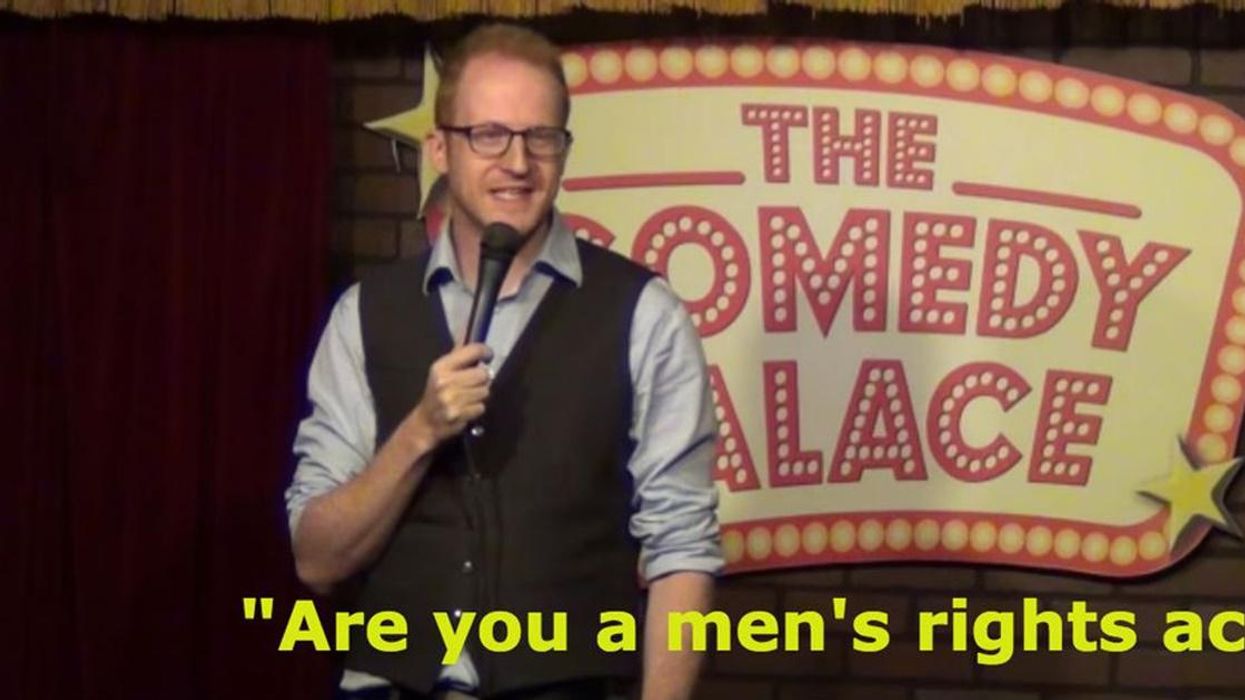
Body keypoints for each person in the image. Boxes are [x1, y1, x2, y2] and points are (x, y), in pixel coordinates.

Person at [285, 23, 721, 700]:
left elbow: (682, 550)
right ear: (439, 148)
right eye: (488, 134)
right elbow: (316, 559)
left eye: (540, 137)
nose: (517, 162)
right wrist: (418, 432)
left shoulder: (643, 314)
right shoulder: (365, 315)